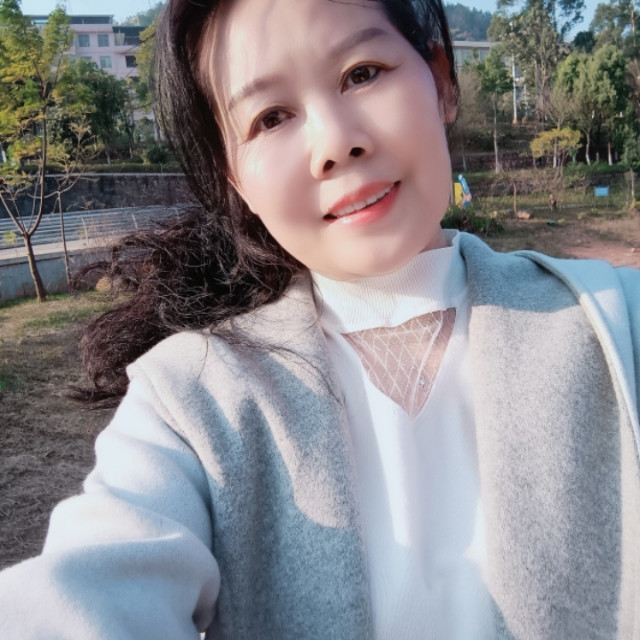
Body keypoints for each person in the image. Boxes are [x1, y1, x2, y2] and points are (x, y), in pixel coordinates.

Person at [1, 0, 639, 638]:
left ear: (441, 81)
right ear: (235, 178)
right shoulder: (186, 401)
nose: (335, 143)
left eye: (362, 73)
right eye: (270, 117)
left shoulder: (619, 323)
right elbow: (86, 588)